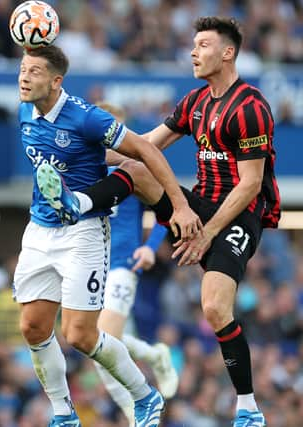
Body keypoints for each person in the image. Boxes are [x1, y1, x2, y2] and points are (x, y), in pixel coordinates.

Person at [41, 17, 281, 427]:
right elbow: (145, 146)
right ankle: (76, 202)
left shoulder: (251, 108)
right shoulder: (195, 102)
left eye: (203, 45)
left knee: (214, 306)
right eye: (193, 44)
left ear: (227, 53)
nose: (193, 52)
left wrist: (207, 234)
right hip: (197, 207)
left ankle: (247, 407)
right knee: (136, 170)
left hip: (240, 215)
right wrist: (92, 159)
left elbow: (250, 185)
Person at [14, 45, 201, 427]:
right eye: (22, 68)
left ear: (55, 80)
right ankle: (64, 414)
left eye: (33, 71)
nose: (23, 76)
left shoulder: (86, 118)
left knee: (82, 336)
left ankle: (144, 398)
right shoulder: (24, 112)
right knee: (33, 326)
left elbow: (144, 151)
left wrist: (178, 206)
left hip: (86, 236)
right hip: (39, 229)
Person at [92, 103, 178, 424]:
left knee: (103, 341)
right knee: (93, 345)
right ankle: (154, 355)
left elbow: (167, 210)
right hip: (90, 265)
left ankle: (135, 412)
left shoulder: (134, 165)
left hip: (122, 265)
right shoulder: (84, 167)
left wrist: (151, 247)